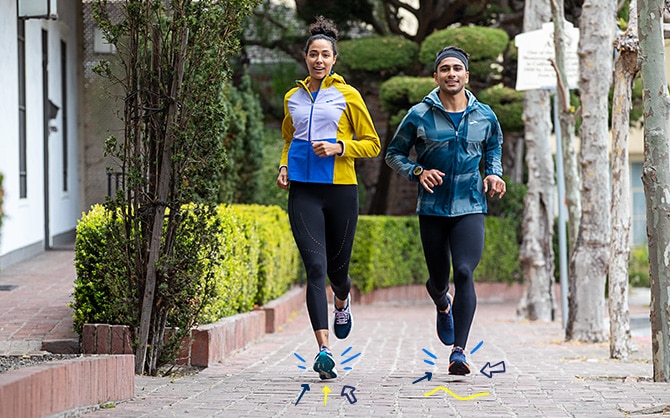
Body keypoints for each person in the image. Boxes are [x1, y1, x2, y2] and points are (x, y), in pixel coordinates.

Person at [385, 46, 506, 375]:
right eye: (445, 69)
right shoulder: (419, 115)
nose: (451, 74)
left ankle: (459, 352)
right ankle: (441, 301)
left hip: (470, 203)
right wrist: (418, 172)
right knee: (439, 279)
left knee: (464, 271)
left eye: (457, 69)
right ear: (435, 76)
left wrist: (493, 172)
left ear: (467, 75)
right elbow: (394, 154)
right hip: (433, 206)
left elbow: (493, 146)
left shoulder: (485, 115)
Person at [276, 16, 381, 380]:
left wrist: (339, 147)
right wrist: (284, 166)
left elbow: (372, 144)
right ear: (305, 57)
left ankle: (342, 299)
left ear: (334, 59)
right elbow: (288, 139)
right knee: (315, 269)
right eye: (313, 54)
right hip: (303, 191)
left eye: (325, 55)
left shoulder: (348, 95)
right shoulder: (292, 97)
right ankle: (324, 351)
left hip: (340, 190)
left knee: (338, 272)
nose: (319, 60)